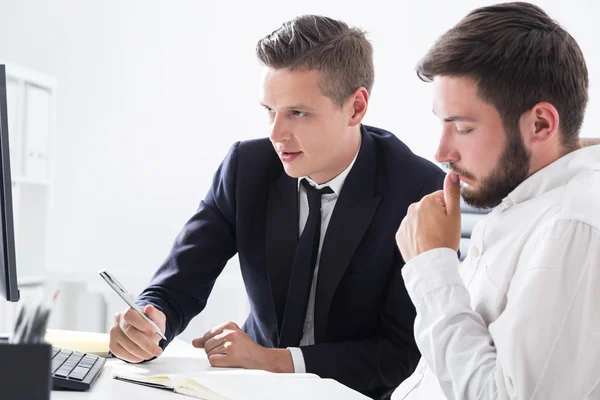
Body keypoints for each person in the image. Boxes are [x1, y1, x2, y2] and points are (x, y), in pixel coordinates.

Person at [109, 15, 445, 399]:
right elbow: (180, 281)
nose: (275, 134)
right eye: (270, 110)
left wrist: (276, 361)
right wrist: (150, 321)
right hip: (249, 388)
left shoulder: (416, 188)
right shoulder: (247, 168)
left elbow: (402, 353)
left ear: (356, 108)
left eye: (298, 113)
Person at [394, 2, 600, 399]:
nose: (441, 150)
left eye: (463, 128)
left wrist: (433, 267)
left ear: (541, 124)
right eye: (441, 122)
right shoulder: (523, 198)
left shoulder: (572, 227)